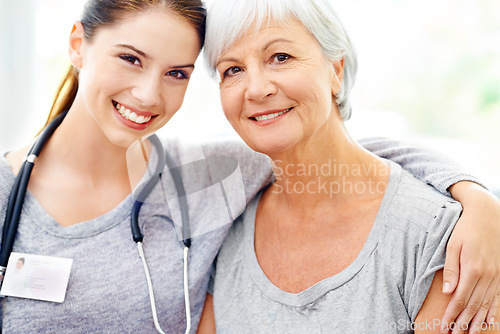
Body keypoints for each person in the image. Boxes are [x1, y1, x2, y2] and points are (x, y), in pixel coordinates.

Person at [0, 0, 498, 333]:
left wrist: (476, 197)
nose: (149, 93)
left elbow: (339, 153)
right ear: (75, 46)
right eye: (130, 59)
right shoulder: (6, 196)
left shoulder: (205, 179)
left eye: (177, 73)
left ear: (336, 69)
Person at [198, 0, 500, 333]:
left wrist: (477, 196)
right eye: (232, 70)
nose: (256, 89)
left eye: (280, 57)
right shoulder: (225, 227)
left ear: (336, 70)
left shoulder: (439, 237)